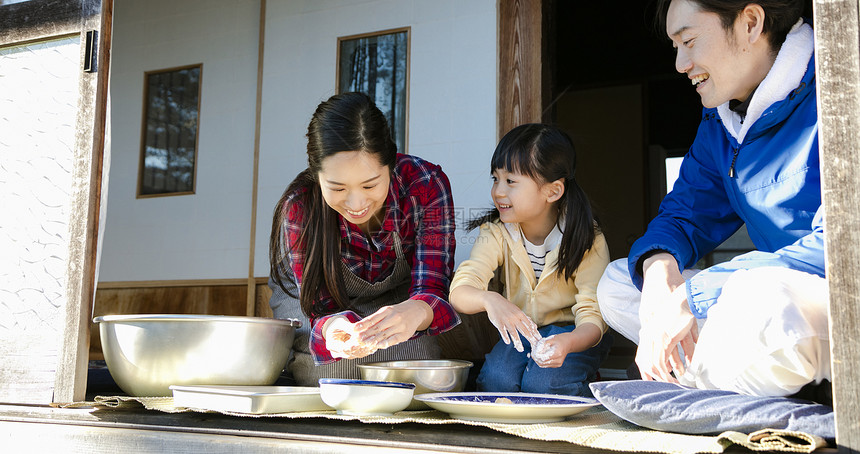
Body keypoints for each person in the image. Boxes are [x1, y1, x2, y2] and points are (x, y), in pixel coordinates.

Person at [597, 0, 829, 398]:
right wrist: (658, 271)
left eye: (688, 41)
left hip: (818, 301)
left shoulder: (836, 92)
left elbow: (840, 250)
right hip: (764, 302)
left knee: (770, 303)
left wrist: (693, 296)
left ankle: (689, 380)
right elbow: (686, 211)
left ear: (751, 23)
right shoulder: (722, 120)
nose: (680, 64)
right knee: (618, 283)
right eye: (675, 48)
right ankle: (737, 379)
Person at [268, 92, 460, 385]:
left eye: (370, 184)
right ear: (316, 175)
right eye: (338, 188)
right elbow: (319, 306)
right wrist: (333, 329)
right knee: (332, 372)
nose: (356, 203)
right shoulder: (300, 205)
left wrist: (416, 311)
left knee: (420, 369)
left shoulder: (426, 185)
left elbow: (432, 284)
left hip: (397, 299)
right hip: (305, 295)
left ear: (391, 163)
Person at [449, 123, 613, 397]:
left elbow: (593, 318)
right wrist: (491, 300)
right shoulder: (497, 232)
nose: (498, 191)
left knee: (543, 385)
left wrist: (569, 342)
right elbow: (460, 291)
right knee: (496, 383)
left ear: (552, 191)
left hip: (575, 334)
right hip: (524, 333)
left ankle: (591, 384)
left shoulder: (587, 237)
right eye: (495, 179)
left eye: (511, 181)